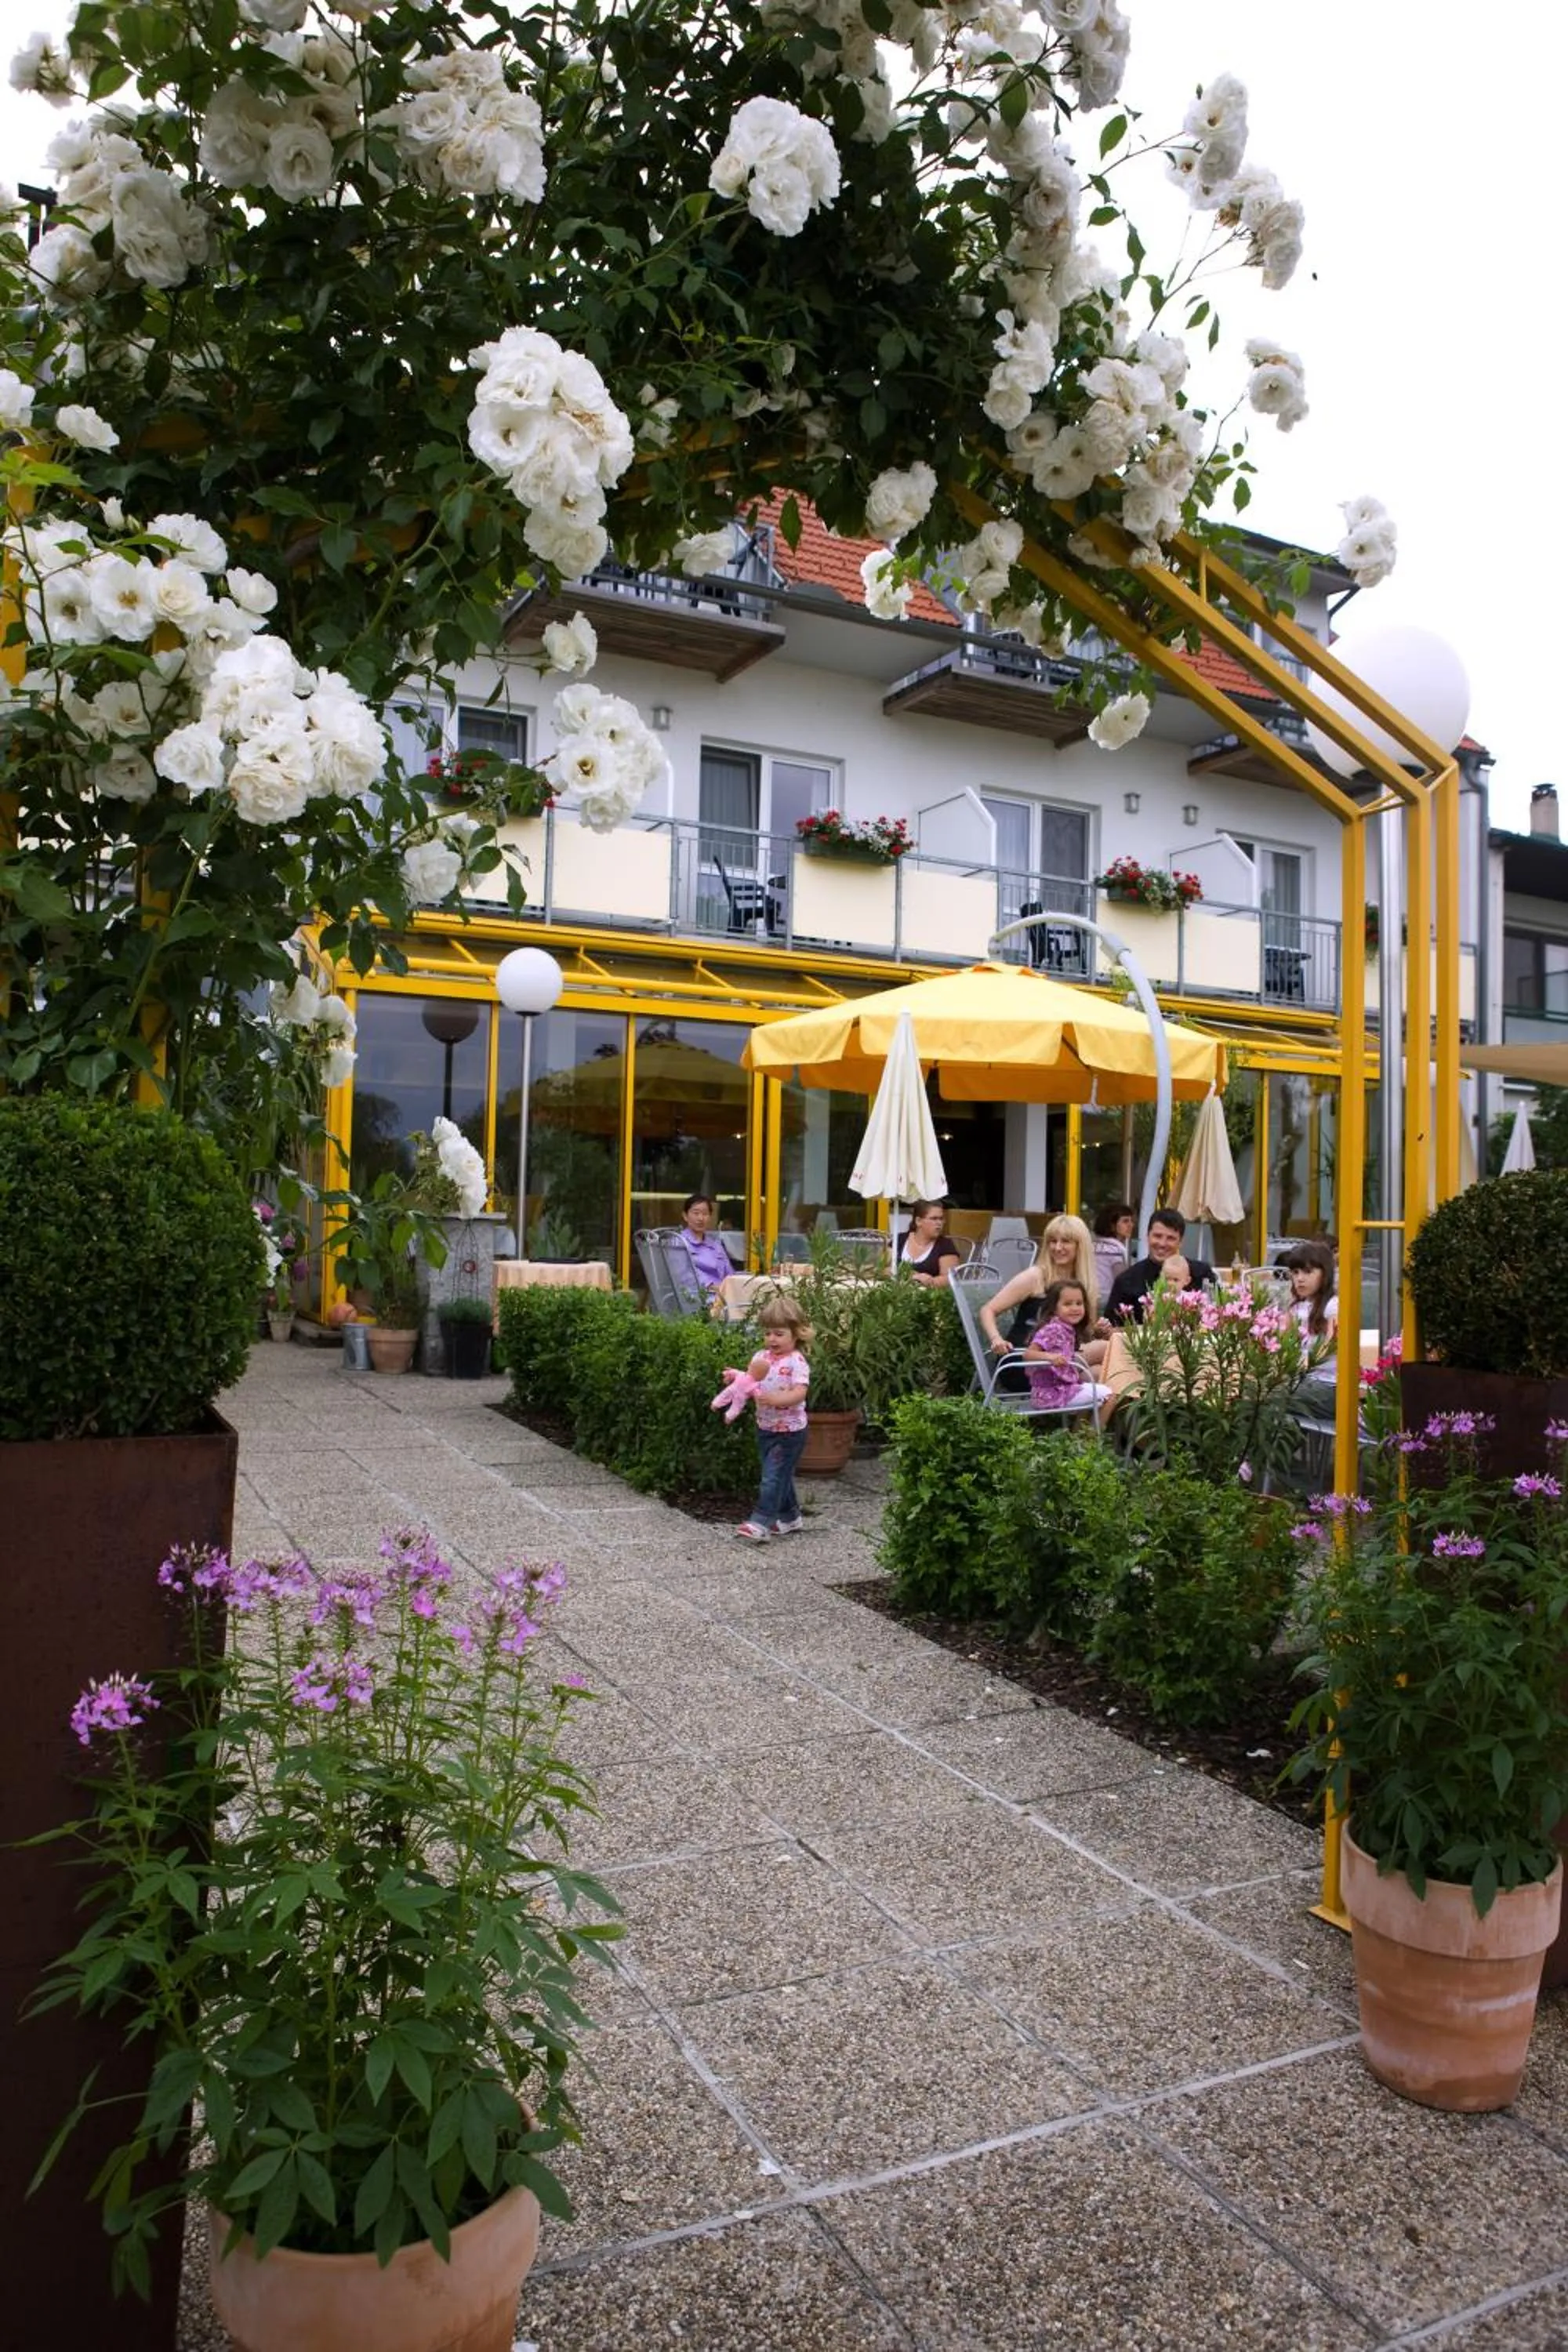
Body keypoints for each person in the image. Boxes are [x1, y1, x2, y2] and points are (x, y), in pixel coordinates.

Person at [978, 1212, 1109, 1374]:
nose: (1058, 1247)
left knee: (1102, 1373)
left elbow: (1084, 1334)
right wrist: (996, 1339)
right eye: (1053, 1241)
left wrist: (1098, 1331)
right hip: (1025, 1362)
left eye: (1065, 1241)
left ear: (1080, 1246)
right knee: (1108, 1348)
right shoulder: (1036, 1276)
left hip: (1060, 1361)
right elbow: (988, 1309)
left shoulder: (1082, 1283)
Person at [735, 1295, 812, 1543]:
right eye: (767, 1333)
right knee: (780, 1474)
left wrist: (778, 1399)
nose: (772, 1339)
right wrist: (737, 1381)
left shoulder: (797, 1361)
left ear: (796, 1334)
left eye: (779, 1334)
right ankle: (790, 1517)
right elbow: (750, 1380)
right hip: (765, 1427)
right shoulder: (761, 1357)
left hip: (789, 1432)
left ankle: (761, 1522)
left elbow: (800, 1392)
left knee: (772, 1477)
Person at [1105, 1207, 1216, 1325]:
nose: (1162, 1244)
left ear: (1180, 1242)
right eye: (1157, 1236)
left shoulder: (1201, 1274)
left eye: (1171, 1238)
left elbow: (1215, 1316)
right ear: (1147, 1237)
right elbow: (1112, 1328)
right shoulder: (1126, 1281)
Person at [1021, 1279, 1112, 1415]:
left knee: (1096, 1391)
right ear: (1054, 1308)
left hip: (1061, 1389)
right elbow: (1028, 1354)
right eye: (1068, 1304)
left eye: (1079, 1303)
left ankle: (1083, 1429)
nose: (1075, 1308)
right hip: (1051, 1393)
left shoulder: (1067, 1329)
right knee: (1110, 1395)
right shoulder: (1053, 1329)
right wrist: (1050, 1357)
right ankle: (1095, 1430)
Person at [1280, 1240, 1339, 1426]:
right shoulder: (1296, 1307)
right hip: (1303, 1382)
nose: (1300, 1279)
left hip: (1329, 1387)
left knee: (1268, 1397)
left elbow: (1329, 1348)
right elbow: (1283, 1346)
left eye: (1308, 1272)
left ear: (1325, 1274)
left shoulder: (1333, 1306)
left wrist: (1300, 1363)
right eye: (1295, 1272)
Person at [670, 1191, 732, 1296]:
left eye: (705, 1214)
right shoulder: (678, 1242)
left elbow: (729, 1272)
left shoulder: (715, 1245)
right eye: (696, 1213)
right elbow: (683, 1276)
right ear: (685, 1216)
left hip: (723, 1295)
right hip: (698, 1297)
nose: (700, 1218)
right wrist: (711, 1286)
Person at [898, 1200, 960, 1288]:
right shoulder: (900, 1240)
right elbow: (883, 1268)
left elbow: (950, 1279)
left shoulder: (945, 1245)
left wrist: (930, 1282)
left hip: (929, 1294)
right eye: (934, 1219)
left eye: (941, 1219)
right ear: (918, 1221)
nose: (939, 1223)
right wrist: (906, 1274)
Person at [1091, 1200, 1136, 1301]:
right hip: (1108, 1300)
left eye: (1131, 1221)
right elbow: (1123, 1282)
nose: (1131, 1225)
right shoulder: (1114, 1250)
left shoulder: (1093, 1245)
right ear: (1112, 1225)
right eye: (1125, 1221)